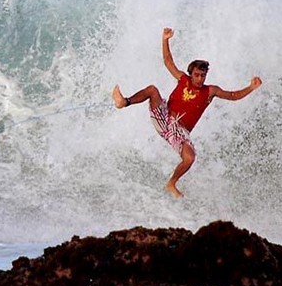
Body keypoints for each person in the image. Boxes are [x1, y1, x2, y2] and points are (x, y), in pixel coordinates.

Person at [112, 28, 262, 198]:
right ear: (191, 74)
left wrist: (251, 87)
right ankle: (124, 102)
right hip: (164, 116)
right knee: (153, 90)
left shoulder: (210, 91)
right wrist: (165, 39)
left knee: (190, 158)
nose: (200, 79)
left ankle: (171, 183)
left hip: (180, 131)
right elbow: (168, 62)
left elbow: (233, 96)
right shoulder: (183, 79)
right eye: (197, 75)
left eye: (203, 76)